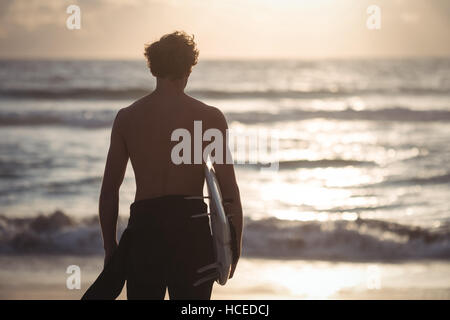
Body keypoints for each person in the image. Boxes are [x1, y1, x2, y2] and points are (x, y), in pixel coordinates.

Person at [82, 31, 243, 300]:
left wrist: (110, 247)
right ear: (188, 69)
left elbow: (109, 190)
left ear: (153, 68)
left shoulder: (127, 118)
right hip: (192, 233)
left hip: (145, 232)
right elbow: (229, 191)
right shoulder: (210, 118)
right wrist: (232, 246)